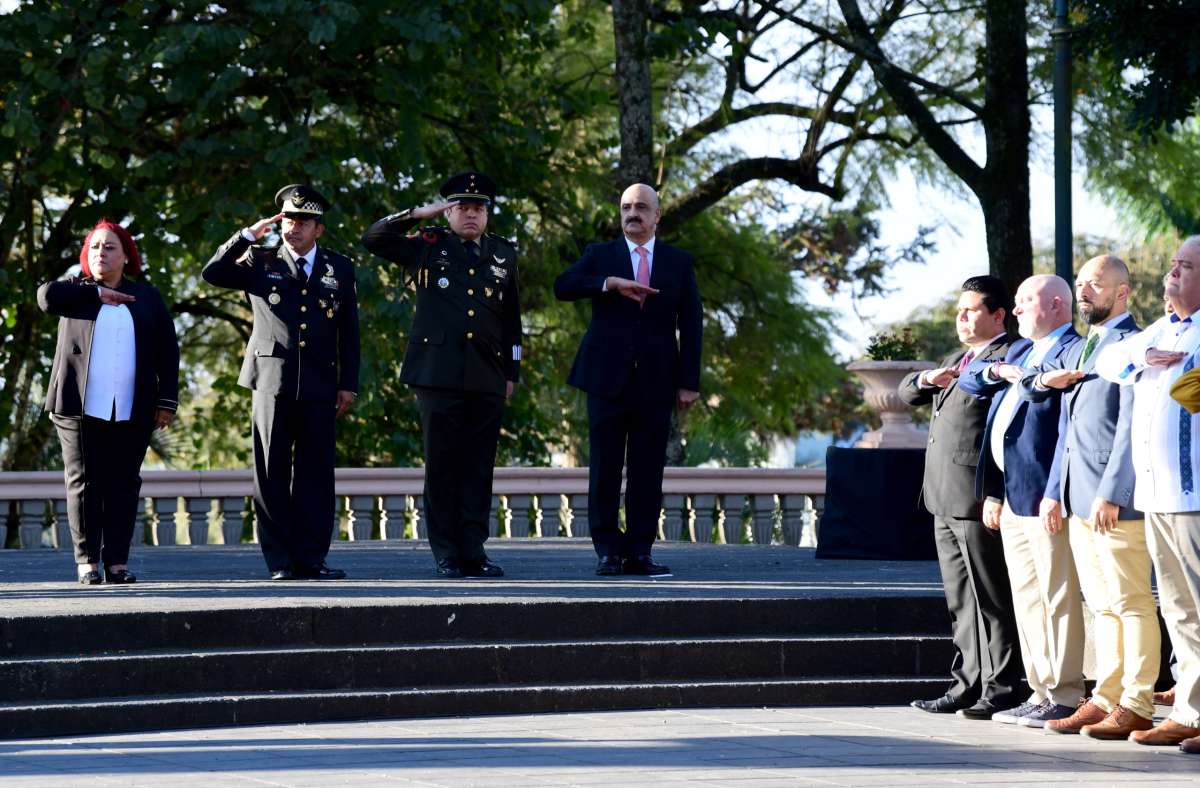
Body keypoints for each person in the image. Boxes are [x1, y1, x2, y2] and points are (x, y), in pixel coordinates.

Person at [1020, 256, 1158, 739]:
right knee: (1101, 605)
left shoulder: (1136, 344)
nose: (1083, 292)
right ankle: (1106, 697)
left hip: (1115, 502)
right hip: (1078, 499)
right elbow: (1069, 428)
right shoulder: (1085, 347)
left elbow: (1130, 425)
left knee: (1131, 601)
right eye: (1080, 283)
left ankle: (1137, 702)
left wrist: (1112, 492)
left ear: (1122, 292)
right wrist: (1055, 491)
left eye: (1094, 284)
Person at [361, 172, 521, 578]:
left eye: (478, 208)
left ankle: (474, 550)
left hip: (487, 373)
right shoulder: (427, 246)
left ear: (488, 214)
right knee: (443, 465)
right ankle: (447, 552)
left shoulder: (504, 254)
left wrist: (512, 371)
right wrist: (417, 214)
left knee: (479, 467)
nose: (471, 215)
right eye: (462, 207)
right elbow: (373, 238)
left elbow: (512, 321)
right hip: (437, 373)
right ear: (448, 213)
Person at [203, 185, 359, 581]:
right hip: (271, 380)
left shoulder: (339, 268)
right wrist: (246, 236)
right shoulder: (260, 259)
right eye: (289, 219)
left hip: (321, 381)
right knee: (271, 472)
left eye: (304, 221)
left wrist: (349, 383)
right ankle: (280, 561)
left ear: (318, 229)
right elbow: (213, 273)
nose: (294, 227)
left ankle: (312, 558)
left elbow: (349, 331)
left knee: (316, 473)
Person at [553, 183, 702, 577]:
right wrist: (608, 283)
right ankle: (608, 551)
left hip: (656, 381)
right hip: (606, 380)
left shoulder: (678, 262)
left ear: (657, 215)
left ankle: (639, 551)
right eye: (626, 207)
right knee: (604, 467)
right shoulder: (600, 255)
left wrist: (689, 382)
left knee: (647, 471)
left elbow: (692, 324)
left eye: (641, 207)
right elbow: (562, 286)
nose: (632, 213)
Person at [959, 274, 1084, 725]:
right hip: (1010, 494)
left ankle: (1066, 692)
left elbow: (1070, 432)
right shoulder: (1017, 352)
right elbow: (970, 379)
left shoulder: (1073, 350)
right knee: (1027, 597)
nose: (1015, 310)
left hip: (1044, 494)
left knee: (1057, 594)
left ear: (1055, 305)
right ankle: (1039, 689)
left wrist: (1055, 492)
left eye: (1025, 301)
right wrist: (997, 371)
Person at [898, 276, 1024, 718]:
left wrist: (996, 492)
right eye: (959, 311)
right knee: (960, 599)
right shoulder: (956, 360)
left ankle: (1002, 687)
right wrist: (925, 377)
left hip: (976, 496)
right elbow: (907, 392)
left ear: (998, 315)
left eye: (971, 311)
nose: (962, 318)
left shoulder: (1010, 356)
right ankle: (966, 684)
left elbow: (1007, 431)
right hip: (942, 497)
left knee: (991, 596)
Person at [1095, 236, 1200, 751]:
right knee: (1178, 609)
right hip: (1157, 493)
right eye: (1173, 265)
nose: (1172, 273)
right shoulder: (1161, 329)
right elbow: (1109, 361)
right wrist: (1144, 354)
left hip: (1195, 495)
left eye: (1186, 266)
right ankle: (1190, 711)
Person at [37, 219, 179, 585]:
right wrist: (96, 294)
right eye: (95, 246)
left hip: (133, 406)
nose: (101, 252)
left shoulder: (147, 297)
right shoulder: (75, 291)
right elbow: (45, 297)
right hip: (77, 407)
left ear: (126, 256)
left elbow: (168, 350)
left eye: (110, 246)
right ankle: (88, 562)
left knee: (124, 484)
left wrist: (167, 401)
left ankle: (117, 562)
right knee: (84, 482)